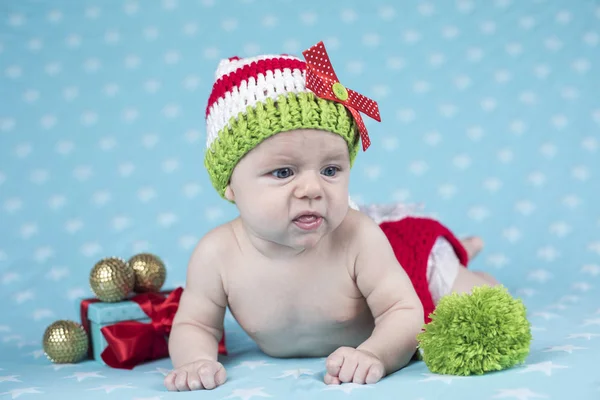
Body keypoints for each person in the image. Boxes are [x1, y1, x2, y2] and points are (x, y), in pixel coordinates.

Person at [164, 41, 498, 391]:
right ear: (229, 184)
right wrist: (196, 361)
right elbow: (195, 326)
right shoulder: (217, 255)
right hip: (382, 262)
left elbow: (403, 312)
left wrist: (375, 354)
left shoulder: (358, 237)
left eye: (330, 170)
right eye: (283, 173)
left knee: (469, 294)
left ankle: (465, 258)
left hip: (409, 267)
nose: (312, 189)